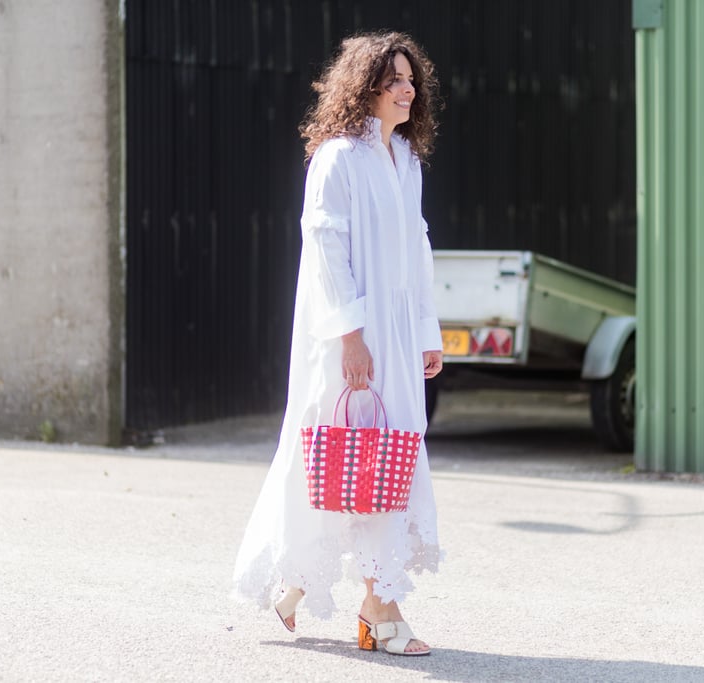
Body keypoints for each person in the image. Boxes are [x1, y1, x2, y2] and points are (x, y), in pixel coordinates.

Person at [231, 31, 444, 656]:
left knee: (390, 454)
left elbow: (418, 252)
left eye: (411, 79)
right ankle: (363, 602)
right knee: (335, 452)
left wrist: (426, 332)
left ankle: (326, 589)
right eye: (394, 79)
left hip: (399, 337)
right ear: (365, 87)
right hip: (347, 335)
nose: (408, 88)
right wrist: (352, 338)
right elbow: (324, 252)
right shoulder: (337, 159)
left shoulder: (405, 160)